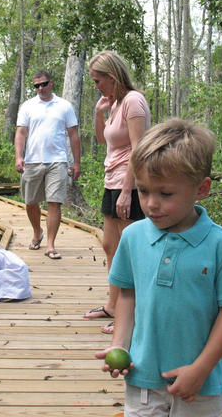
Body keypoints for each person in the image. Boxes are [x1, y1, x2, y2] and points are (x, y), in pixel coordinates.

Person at [95, 118, 222, 417]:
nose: (151, 204)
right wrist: (120, 346)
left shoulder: (220, 244)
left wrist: (200, 369)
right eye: (143, 191)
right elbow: (127, 296)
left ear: (201, 188)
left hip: (201, 387)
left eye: (165, 194)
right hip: (142, 379)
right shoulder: (132, 237)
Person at [83, 51, 151, 334]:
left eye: (98, 80)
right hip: (112, 180)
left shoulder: (134, 102)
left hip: (130, 185)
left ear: (113, 76)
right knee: (110, 245)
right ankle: (113, 304)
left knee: (130, 250)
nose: (95, 86)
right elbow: (103, 140)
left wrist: (127, 191)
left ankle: (131, 315)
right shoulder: (116, 103)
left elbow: (139, 148)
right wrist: (100, 112)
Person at [14, 71, 81, 260]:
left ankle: (50, 245)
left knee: (54, 202)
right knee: (30, 202)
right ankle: (37, 232)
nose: (40, 89)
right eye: (36, 86)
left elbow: (74, 135)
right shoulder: (28, 106)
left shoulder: (64, 106)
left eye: (43, 84)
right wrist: (19, 157)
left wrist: (76, 162)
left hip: (58, 160)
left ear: (51, 83)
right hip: (33, 160)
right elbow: (21, 133)